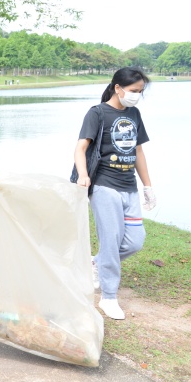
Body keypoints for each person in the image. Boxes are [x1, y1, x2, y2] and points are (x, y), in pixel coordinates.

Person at [74, 67, 156, 321]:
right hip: (104, 185)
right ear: (117, 88)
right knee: (111, 242)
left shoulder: (134, 114)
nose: (136, 96)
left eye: (140, 92)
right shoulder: (97, 113)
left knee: (135, 241)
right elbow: (80, 148)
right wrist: (83, 175)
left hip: (129, 187)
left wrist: (147, 186)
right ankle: (108, 297)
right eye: (133, 90)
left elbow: (138, 151)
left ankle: (96, 263)